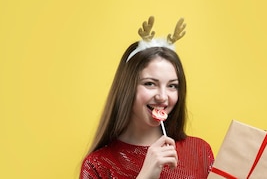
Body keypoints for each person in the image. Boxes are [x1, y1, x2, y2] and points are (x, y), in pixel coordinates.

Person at [80, 16, 214, 179]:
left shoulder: (199, 150)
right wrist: (146, 175)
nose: (162, 97)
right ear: (128, 88)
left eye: (172, 85)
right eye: (150, 83)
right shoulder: (97, 165)